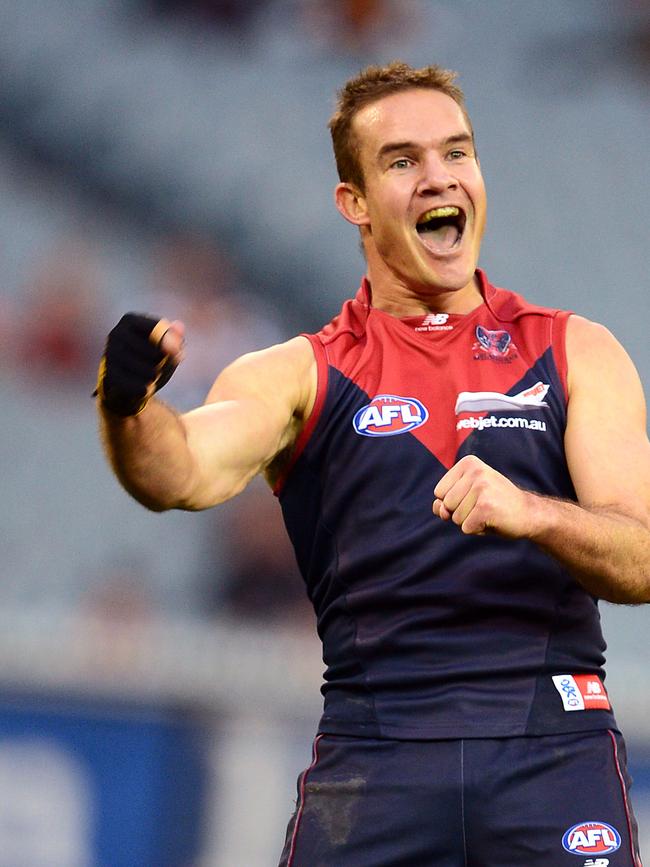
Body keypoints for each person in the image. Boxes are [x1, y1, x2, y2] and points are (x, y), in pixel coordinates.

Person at [96, 62, 650, 866]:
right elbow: (177, 473)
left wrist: (533, 512)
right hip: (377, 758)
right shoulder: (299, 372)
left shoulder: (575, 351)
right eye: (402, 162)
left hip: (554, 751)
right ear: (352, 203)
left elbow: (640, 557)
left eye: (457, 153)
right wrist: (127, 408)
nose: (438, 178)